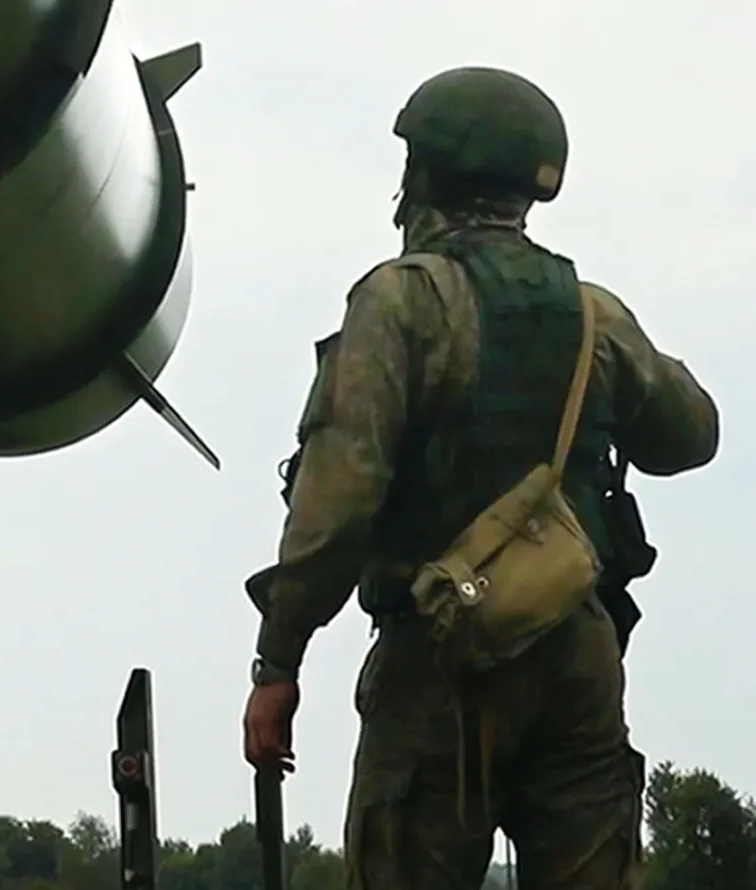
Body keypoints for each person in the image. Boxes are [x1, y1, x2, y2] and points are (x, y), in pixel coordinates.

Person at [240, 67, 720, 888]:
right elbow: (692, 435)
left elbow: (338, 503)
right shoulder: (593, 313)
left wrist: (278, 663)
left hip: (438, 659)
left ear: (427, 175)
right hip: (576, 656)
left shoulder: (401, 304)